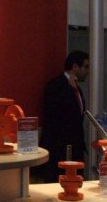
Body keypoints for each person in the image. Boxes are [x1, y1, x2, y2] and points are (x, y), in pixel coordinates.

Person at [38, 50, 90, 183]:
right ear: (75, 66)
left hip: (75, 146)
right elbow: (56, 116)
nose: (88, 71)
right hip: (59, 148)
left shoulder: (77, 88)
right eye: (85, 67)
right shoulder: (55, 85)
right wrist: (70, 90)